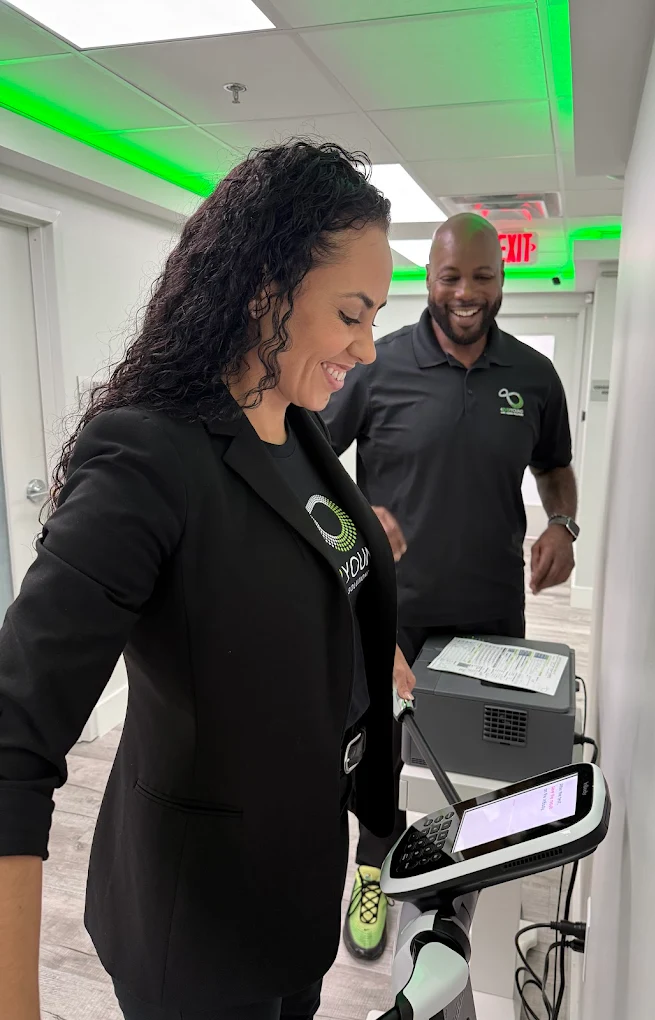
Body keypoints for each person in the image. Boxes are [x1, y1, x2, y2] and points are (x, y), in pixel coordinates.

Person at [0, 141, 402, 1020]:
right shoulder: (148, 455)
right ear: (265, 289)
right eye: (351, 314)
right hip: (197, 924)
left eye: (374, 317)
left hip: (297, 886)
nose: (367, 348)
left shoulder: (294, 423)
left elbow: (286, 572)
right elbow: (13, 738)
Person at [322, 212, 579, 961]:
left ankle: (458, 878)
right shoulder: (375, 366)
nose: (465, 292)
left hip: (490, 617)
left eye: (481, 276)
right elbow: (307, 457)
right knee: (378, 755)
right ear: (427, 279)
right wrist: (354, 514)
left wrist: (562, 523)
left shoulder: (532, 375)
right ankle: (373, 866)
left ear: (501, 280)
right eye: (450, 277)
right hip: (389, 613)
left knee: (479, 764)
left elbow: (554, 465)